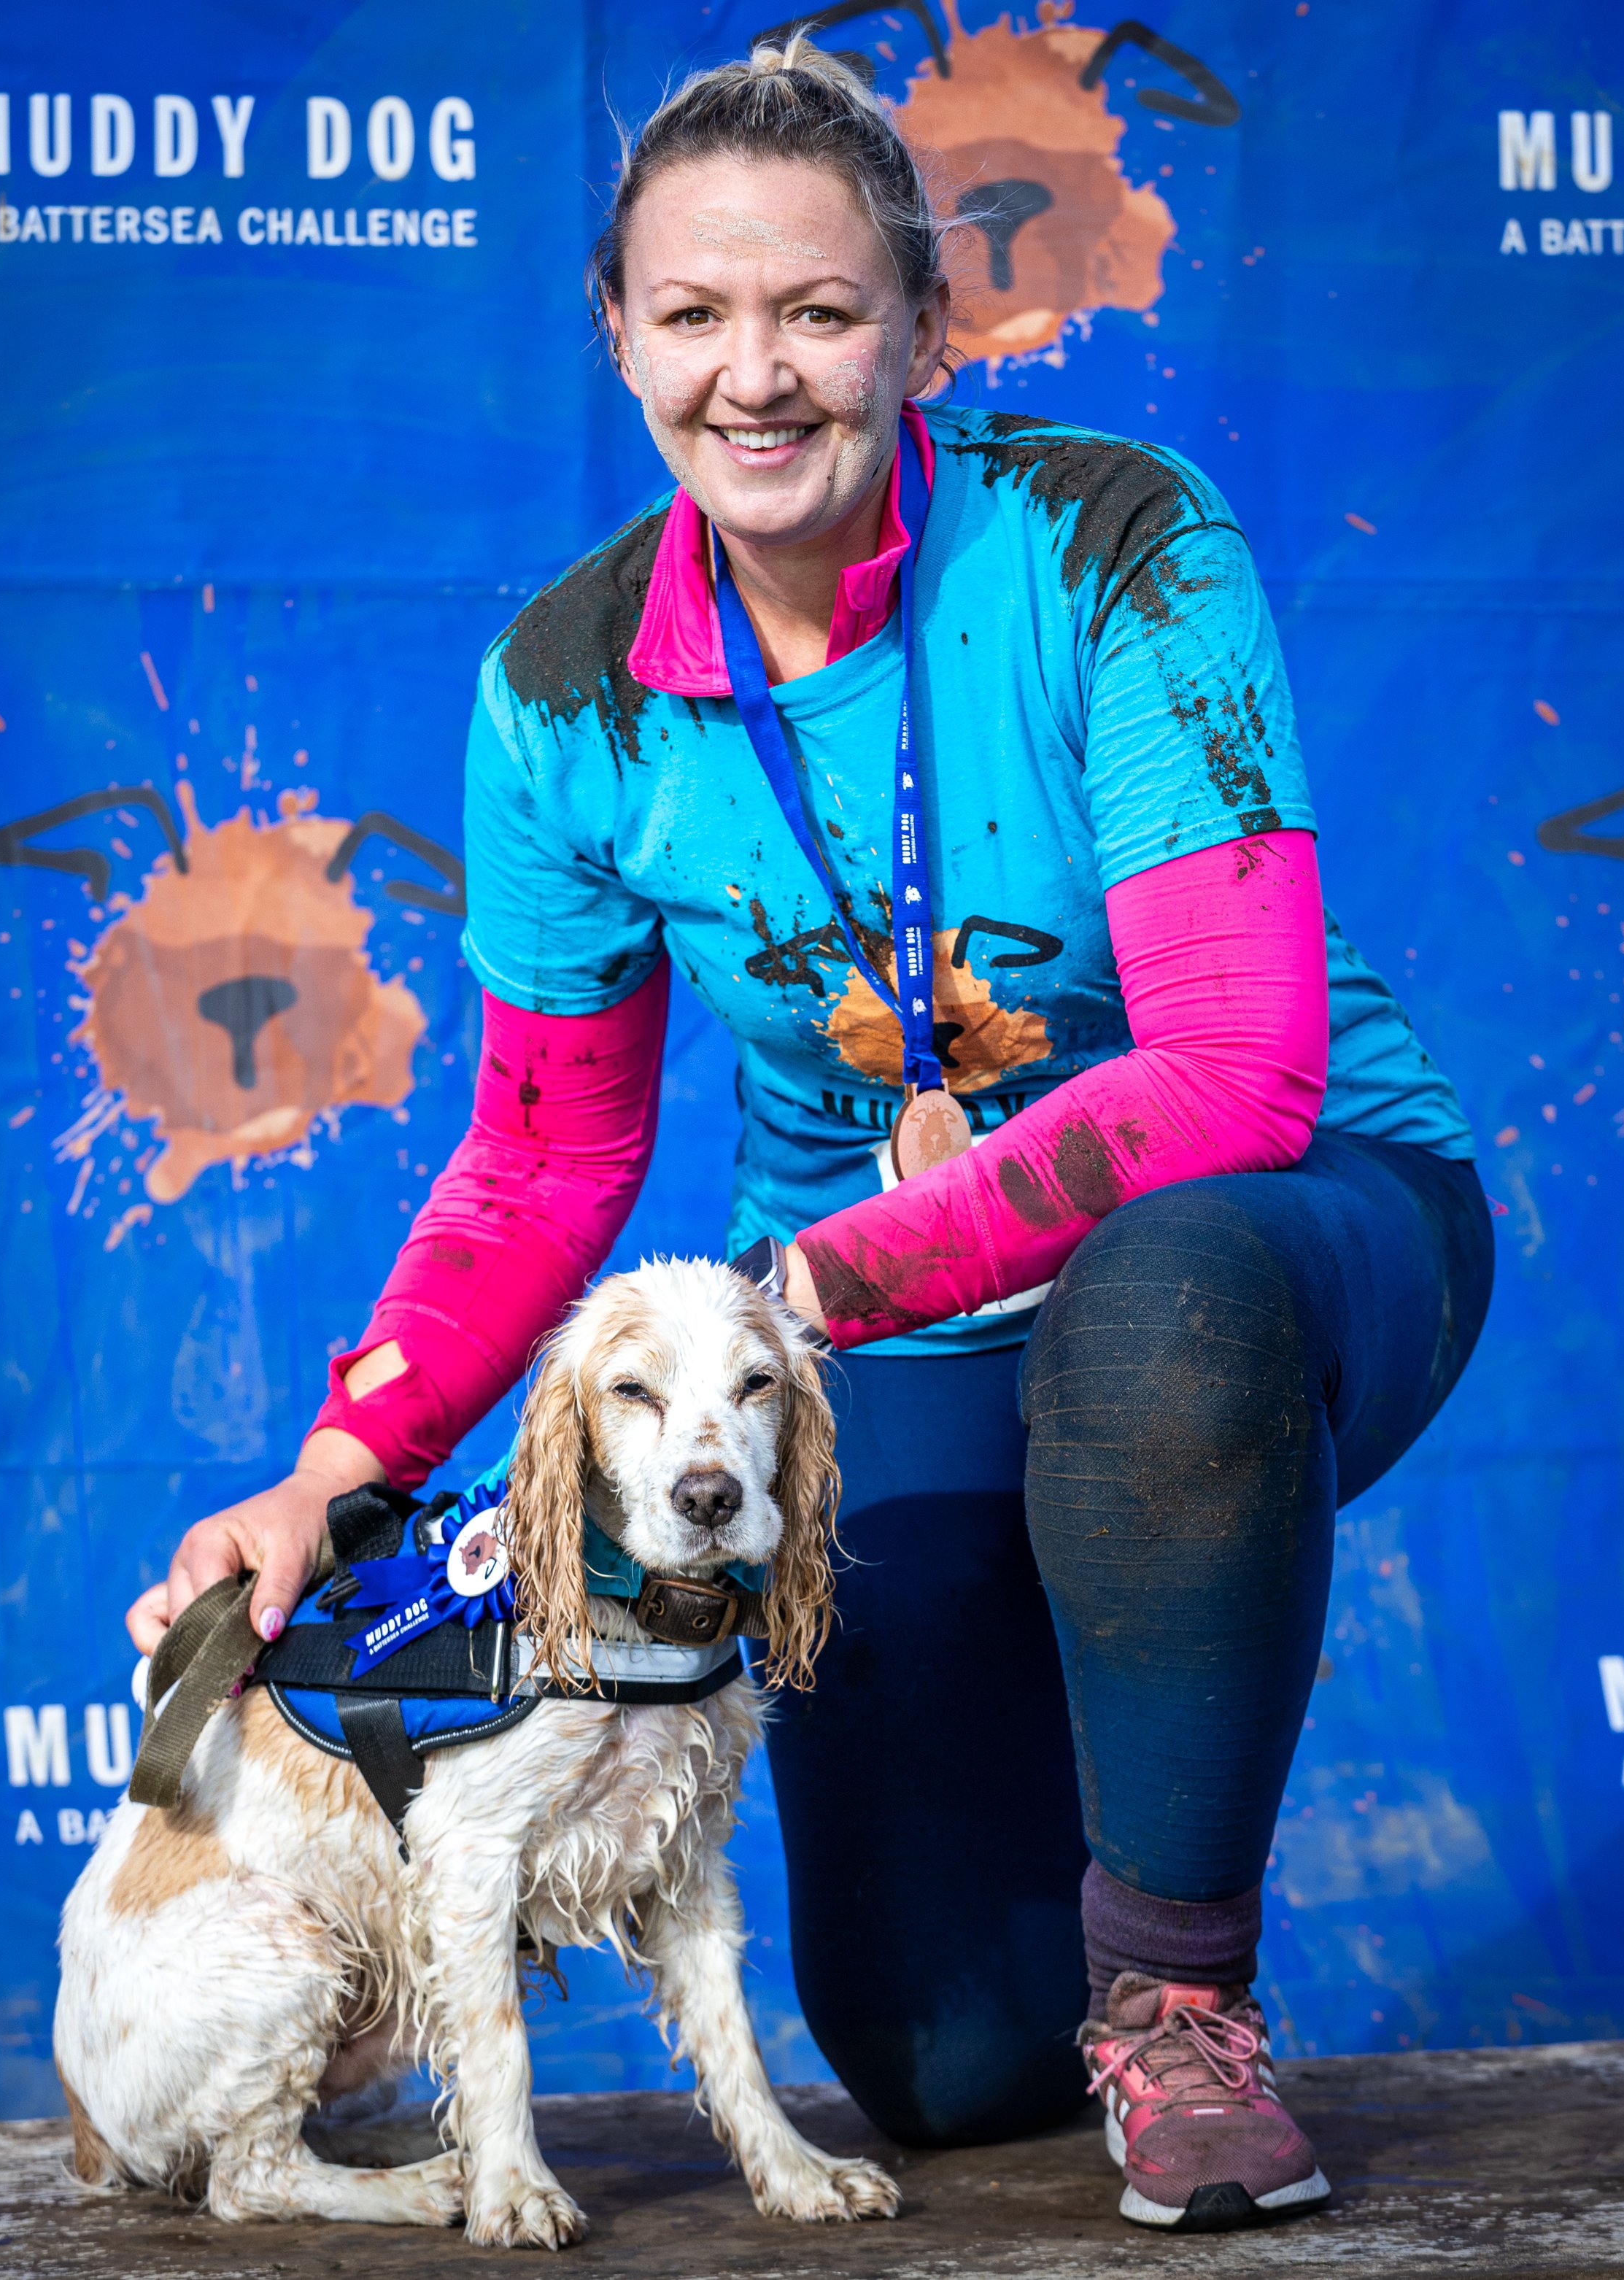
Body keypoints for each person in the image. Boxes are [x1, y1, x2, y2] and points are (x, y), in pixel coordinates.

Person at [127, 39, 1491, 2233]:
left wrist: (793, 1295)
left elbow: (1231, 1075)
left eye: (819, 311)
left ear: (924, 326)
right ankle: (1082, 1752)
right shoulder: (566, 688)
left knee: (1161, 1318)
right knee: (944, 2064)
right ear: (618, 333)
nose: (752, 375)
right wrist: (332, 1468)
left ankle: (1179, 1997)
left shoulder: (1114, 540)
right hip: (885, 1337)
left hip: (1272, 1230)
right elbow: (540, 1161)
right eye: (692, 314)